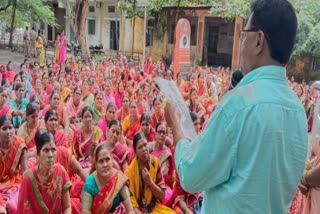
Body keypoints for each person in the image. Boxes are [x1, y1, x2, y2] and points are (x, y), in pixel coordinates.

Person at [164, 0, 308, 213]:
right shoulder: (298, 112)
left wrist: (176, 126)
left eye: (244, 35)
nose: (241, 45)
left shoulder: (239, 103)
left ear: (258, 40)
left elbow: (191, 175)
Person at [17, 130, 72, 213]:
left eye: (53, 150)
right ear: (38, 153)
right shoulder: (28, 179)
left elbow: (67, 207)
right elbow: (22, 210)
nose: (50, 155)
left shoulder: (60, 172)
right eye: (46, 150)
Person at [125, 132, 175, 213]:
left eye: (145, 145)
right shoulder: (130, 171)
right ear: (135, 152)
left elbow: (162, 196)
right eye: (140, 147)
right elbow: (132, 203)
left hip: (154, 208)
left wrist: (150, 183)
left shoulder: (155, 163)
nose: (144, 149)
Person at [82, 144, 134, 214]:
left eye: (107, 159)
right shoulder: (89, 184)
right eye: (101, 161)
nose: (105, 164)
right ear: (96, 165)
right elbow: (85, 212)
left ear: (112, 161)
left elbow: (130, 210)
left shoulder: (119, 178)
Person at [0, 115, 27, 213]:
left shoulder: (19, 144)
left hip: (14, 182)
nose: (8, 132)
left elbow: (25, 172)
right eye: (4, 128)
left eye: (10, 128)